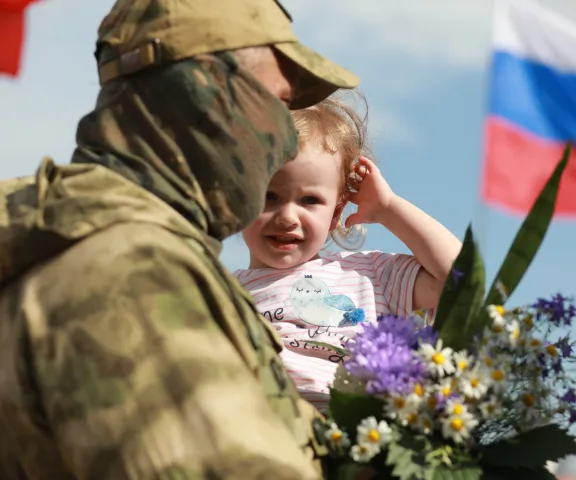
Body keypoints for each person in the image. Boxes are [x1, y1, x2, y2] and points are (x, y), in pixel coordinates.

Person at [0, 0, 361, 478]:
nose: (287, 140)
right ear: (208, 90)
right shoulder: (129, 271)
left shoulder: (90, 240)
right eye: (278, 102)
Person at [233, 97, 462, 412]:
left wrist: (388, 208)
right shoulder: (221, 292)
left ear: (337, 211)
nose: (287, 217)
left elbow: (460, 281)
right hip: (266, 427)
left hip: (357, 431)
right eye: (269, 196)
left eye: (310, 200)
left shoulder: (369, 274)